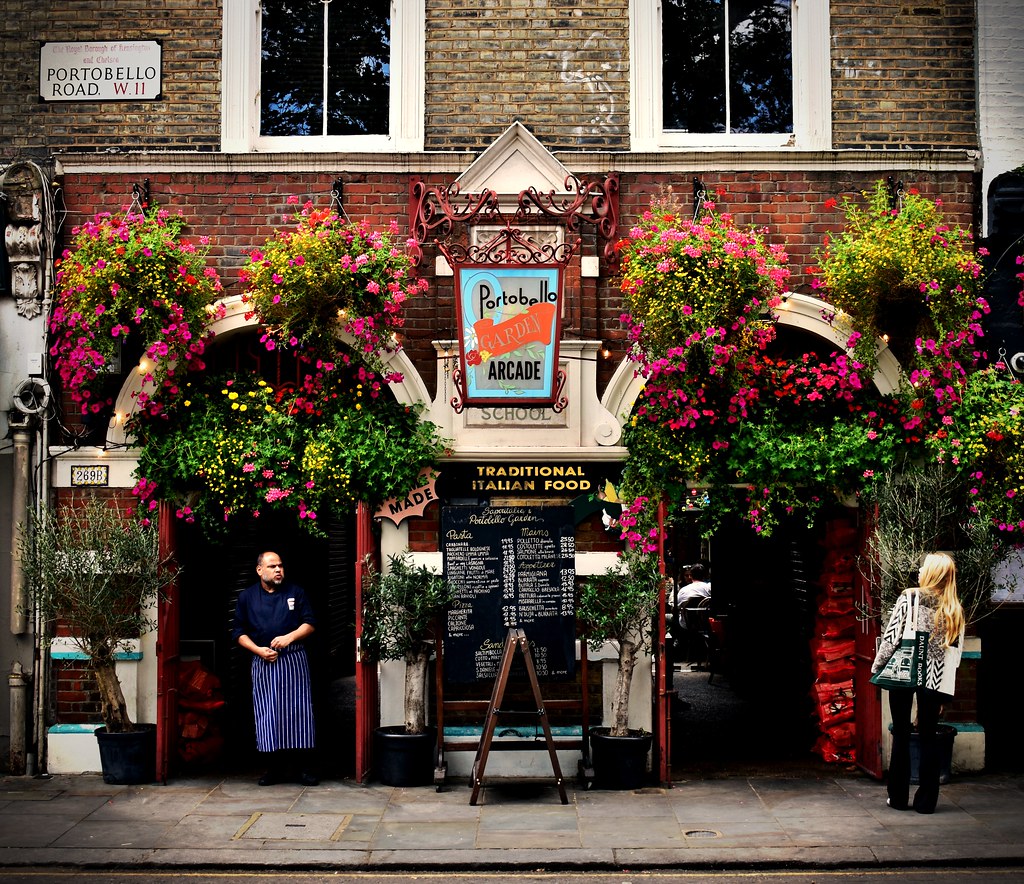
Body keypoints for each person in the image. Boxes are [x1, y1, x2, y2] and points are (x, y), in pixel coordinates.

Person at [871, 552, 965, 814]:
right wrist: (945, 694)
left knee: (901, 732)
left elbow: (892, 636)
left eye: (924, 566)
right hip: (935, 679)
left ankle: (898, 798)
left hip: (904, 672)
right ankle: (926, 803)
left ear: (932, 572)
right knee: (928, 737)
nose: (920, 569)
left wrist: (878, 666)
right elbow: (954, 655)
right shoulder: (955, 609)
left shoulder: (910, 597)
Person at [232, 550, 319, 786]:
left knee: (298, 712)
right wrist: (258, 651)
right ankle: (273, 768)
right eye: (272, 566)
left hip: (293, 659)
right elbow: (239, 633)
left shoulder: (295, 592)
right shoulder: (247, 597)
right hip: (263, 660)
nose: (278, 570)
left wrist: (289, 637)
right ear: (260, 570)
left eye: (280, 565)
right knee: (268, 714)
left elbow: (310, 623)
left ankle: (303, 768)